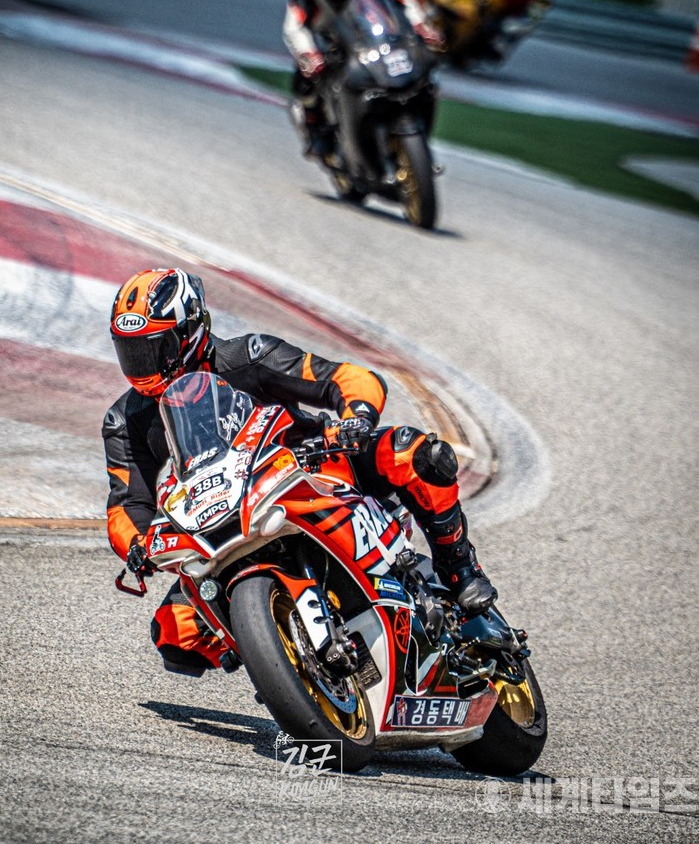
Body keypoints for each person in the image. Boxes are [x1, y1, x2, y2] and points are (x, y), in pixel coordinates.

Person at [104, 268, 498, 677]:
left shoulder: (250, 356)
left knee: (414, 454)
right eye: (130, 351)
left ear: (189, 332)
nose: (141, 364)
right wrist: (136, 545)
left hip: (315, 471)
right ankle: (284, 656)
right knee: (176, 634)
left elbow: (347, 378)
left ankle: (459, 570)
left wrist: (357, 417)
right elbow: (125, 506)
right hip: (221, 517)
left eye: (154, 348)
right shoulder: (124, 420)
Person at [283, 0, 444, 161]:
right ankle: (315, 129)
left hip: (366, 34)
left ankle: (413, 131)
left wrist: (421, 26)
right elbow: (294, 22)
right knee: (305, 78)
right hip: (326, 39)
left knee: (422, 73)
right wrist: (308, 54)